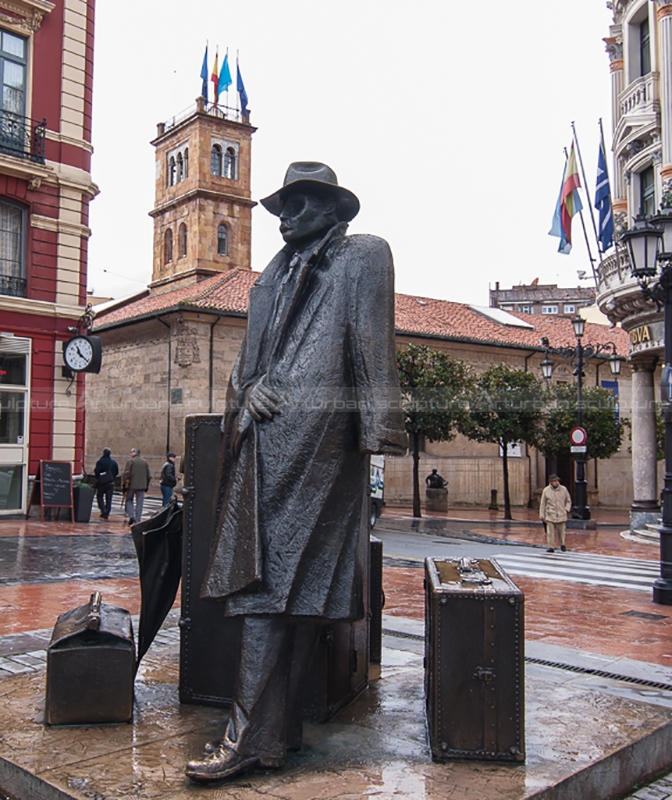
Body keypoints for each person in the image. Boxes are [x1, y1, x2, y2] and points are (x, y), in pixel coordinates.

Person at [185, 162, 406, 782]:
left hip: (322, 437)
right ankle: (273, 732)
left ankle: (246, 736)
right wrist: (247, 388)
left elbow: (371, 342)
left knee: (271, 585)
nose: (285, 216)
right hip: (266, 434)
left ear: (335, 208)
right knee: (284, 585)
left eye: (301, 203)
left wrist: (377, 431)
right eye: (281, 205)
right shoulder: (272, 275)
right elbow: (248, 361)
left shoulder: (361, 255)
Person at [539, 474, 571, 553]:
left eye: (557, 481)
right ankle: (551, 546)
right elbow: (543, 503)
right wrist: (542, 515)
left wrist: (566, 509)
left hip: (561, 513)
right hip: (550, 513)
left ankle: (562, 544)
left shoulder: (563, 489)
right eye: (554, 481)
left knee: (561, 531)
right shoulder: (546, 490)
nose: (556, 482)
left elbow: (568, 500)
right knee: (550, 532)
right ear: (551, 482)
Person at [123, 447, 151, 525]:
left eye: (131, 452)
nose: (130, 454)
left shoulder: (130, 461)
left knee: (129, 500)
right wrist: (146, 484)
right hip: (142, 485)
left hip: (131, 485)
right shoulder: (144, 462)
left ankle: (131, 516)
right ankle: (138, 519)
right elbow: (148, 475)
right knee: (140, 502)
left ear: (135, 452)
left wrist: (124, 484)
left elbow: (126, 473)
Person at [93, 447, 118, 520]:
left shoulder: (100, 461)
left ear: (103, 453)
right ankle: (107, 512)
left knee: (100, 496)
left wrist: (99, 478)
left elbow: (97, 471)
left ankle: (103, 509)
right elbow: (116, 472)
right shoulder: (113, 462)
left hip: (102, 482)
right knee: (109, 498)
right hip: (110, 482)